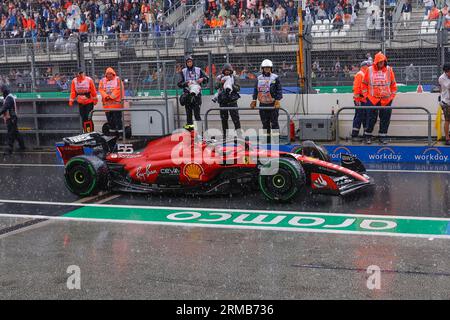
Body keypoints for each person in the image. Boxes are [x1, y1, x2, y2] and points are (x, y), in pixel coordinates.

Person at [361, 52, 397, 145]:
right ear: (376, 62)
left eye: (383, 62)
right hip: (372, 99)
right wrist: (366, 96)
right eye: (380, 62)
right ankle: (368, 136)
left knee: (385, 118)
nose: (381, 63)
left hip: (386, 99)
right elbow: (364, 84)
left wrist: (392, 96)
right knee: (371, 118)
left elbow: (393, 84)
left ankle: (383, 136)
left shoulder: (389, 70)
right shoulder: (369, 70)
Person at [250, 59, 283, 138]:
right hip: (263, 104)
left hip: (273, 104)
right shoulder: (259, 78)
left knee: (274, 122)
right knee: (265, 123)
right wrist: (254, 100)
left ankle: (275, 140)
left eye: (268, 67)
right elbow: (255, 90)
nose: (267, 69)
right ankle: (266, 139)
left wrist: (277, 100)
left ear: (271, 68)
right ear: (262, 68)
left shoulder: (275, 78)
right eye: (265, 68)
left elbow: (279, 90)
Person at [177, 56, 209, 130]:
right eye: (188, 62)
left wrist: (203, 79)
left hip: (196, 95)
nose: (189, 63)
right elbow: (179, 84)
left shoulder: (198, 70)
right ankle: (190, 133)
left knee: (197, 115)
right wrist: (186, 83)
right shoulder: (183, 71)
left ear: (192, 62)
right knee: (189, 116)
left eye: (190, 61)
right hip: (187, 95)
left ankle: (199, 134)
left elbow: (207, 79)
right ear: (186, 63)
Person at [215, 63, 241, 138]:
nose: (227, 72)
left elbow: (238, 88)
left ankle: (239, 135)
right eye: (225, 70)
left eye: (228, 70)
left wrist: (231, 84)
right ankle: (225, 136)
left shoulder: (235, 77)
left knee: (236, 119)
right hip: (223, 102)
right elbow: (216, 87)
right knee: (224, 120)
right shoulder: (219, 77)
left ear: (231, 71)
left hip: (232, 101)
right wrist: (221, 83)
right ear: (223, 71)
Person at [69, 68, 98, 133]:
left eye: (79, 74)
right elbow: (73, 91)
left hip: (89, 102)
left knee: (88, 118)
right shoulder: (74, 81)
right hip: (81, 102)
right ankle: (86, 132)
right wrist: (71, 100)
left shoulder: (89, 80)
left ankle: (90, 132)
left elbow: (93, 90)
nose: (77, 75)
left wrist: (95, 99)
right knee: (83, 118)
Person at [98, 67, 125, 137]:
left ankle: (120, 135)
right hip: (107, 106)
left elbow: (119, 89)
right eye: (107, 74)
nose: (109, 75)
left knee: (118, 120)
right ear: (105, 75)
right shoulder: (102, 81)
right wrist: (106, 96)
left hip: (117, 106)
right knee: (110, 121)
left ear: (113, 74)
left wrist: (110, 97)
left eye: (110, 74)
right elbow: (101, 90)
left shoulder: (118, 79)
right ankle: (112, 135)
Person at [0, 85, 25, 155]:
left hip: (11, 118)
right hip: (12, 118)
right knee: (16, 133)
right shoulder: (9, 97)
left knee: (10, 134)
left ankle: (9, 150)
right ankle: (22, 146)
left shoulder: (9, 98)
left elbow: (5, 108)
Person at [351, 61, 369, 141]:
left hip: (364, 100)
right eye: (368, 65)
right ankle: (354, 135)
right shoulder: (360, 74)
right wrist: (357, 99)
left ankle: (365, 133)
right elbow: (357, 88)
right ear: (364, 66)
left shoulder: (364, 74)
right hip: (360, 100)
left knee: (364, 116)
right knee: (359, 116)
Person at [438, 63, 450, 145]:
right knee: (447, 120)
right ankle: (447, 138)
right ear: (446, 72)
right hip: (446, 102)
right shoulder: (442, 78)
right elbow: (448, 86)